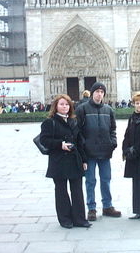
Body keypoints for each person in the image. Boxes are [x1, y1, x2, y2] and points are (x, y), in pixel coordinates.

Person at [40, 94, 91, 229]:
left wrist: (84, 159)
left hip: (75, 160)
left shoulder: (73, 121)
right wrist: (59, 144)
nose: (65, 107)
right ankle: (65, 219)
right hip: (59, 161)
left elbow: (80, 142)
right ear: (56, 106)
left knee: (77, 190)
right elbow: (44, 140)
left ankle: (79, 219)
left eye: (67, 104)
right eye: (62, 104)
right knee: (61, 191)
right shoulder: (49, 122)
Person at [75, 82, 121, 221]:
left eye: (102, 92)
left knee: (106, 179)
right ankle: (92, 208)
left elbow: (113, 129)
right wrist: (83, 145)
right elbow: (77, 131)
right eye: (97, 91)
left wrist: (113, 142)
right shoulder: (82, 109)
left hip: (105, 150)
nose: (99, 94)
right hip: (89, 152)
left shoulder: (108, 109)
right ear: (92, 93)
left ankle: (107, 206)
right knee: (90, 180)